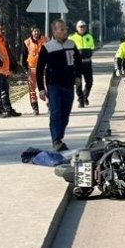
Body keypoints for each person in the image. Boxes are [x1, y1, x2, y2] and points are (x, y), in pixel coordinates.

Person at [36, 19, 83, 152]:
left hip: (69, 85)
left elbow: (78, 63)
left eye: (65, 29)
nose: (65, 32)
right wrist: (41, 89)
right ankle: (56, 140)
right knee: (56, 112)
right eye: (61, 29)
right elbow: (40, 69)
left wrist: (78, 76)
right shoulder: (47, 47)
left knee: (65, 113)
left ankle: (59, 137)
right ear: (54, 31)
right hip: (54, 85)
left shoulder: (71, 44)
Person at [0, 22, 21, 118]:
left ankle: (7, 109)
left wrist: (12, 67)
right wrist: (0, 63)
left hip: (3, 71)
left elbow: (7, 55)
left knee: (4, 91)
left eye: (3, 29)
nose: (3, 31)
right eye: (1, 29)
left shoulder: (2, 40)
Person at [72, 19, 97, 108]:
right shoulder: (72, 38)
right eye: (80, 27)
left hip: (87, 63)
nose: (82, 28)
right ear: (77, 28)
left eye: (83, 27)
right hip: (77, 64)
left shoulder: (89, 37)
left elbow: (92, 48)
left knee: (89, 82)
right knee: (78, 83)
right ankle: (81, 100)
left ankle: (85, 96)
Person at [23, 26, 45, 116]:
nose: (36, 33)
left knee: (47, 87)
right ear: (32, 32)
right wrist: (25, 69)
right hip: (32, 69)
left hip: (44, 68)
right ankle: (35, 109)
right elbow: (24, 57)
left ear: (40, 32)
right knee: (32, 90)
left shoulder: (45, 40)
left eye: (38, 31)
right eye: (34, 31)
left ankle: (50, 106)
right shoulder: (27, 42)